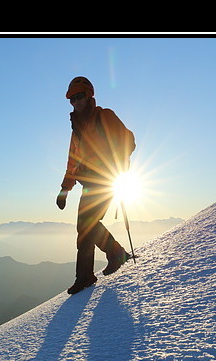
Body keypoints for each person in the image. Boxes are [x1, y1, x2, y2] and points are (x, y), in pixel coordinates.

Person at [56, 76, 136, 294]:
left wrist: (118, 162)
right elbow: (73, 161)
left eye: (79, 96)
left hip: (105, 178)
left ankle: (88, 274)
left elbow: (128, 139)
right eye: (72, 99)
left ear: (89, 94)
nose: (76, 102)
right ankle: (114, 255)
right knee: (86, 225)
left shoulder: (104, 116)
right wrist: (64, 189)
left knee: (85, 225)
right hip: (89, 183)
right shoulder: (77, 129)